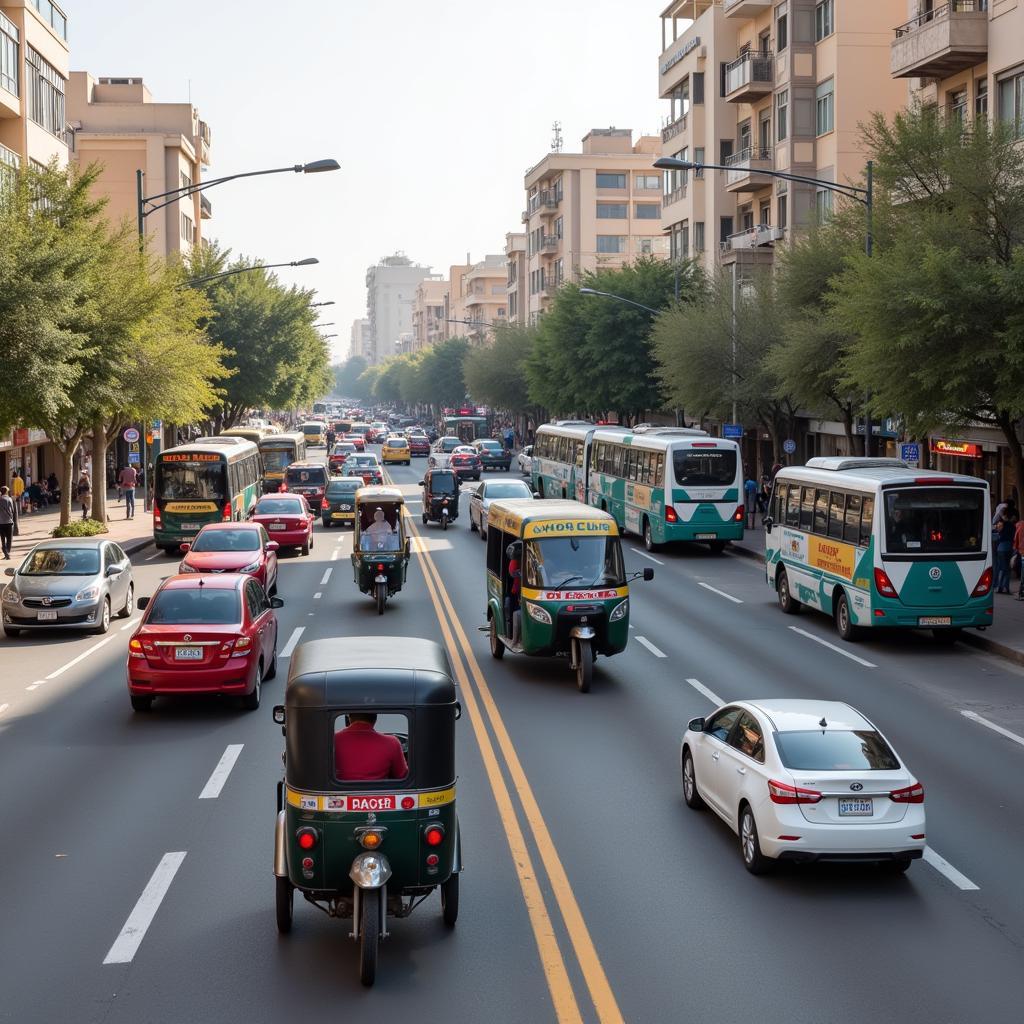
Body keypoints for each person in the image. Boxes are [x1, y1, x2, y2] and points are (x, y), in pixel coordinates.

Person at [334, 713, 408, 780]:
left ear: (349, 718)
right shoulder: (392, 742)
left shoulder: (333, 740)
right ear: (375, 720)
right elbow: (401, 776)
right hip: (379, 792)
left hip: (338, 793)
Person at [505, 541, 522, 642]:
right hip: (517, 591)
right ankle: (514, 639)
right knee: (516, 613)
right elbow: (512, 572)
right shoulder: (516, 559)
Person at [994, 513, 1015, 594]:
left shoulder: (1000, 524)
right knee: (1007, 569)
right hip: (1008, 548)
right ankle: (1005, 587)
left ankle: (999, 587)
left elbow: (998, 534)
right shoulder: (1012, 526)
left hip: (1000, 548)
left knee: (1001, 568)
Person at [0, 485, 15, 559]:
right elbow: (12, 510)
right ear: (6, 491)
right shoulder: (9, 499)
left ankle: (5, 552)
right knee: (9, 538)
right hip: (9, 521)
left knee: (2, 538)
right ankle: (8, 552)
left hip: (1, 522)